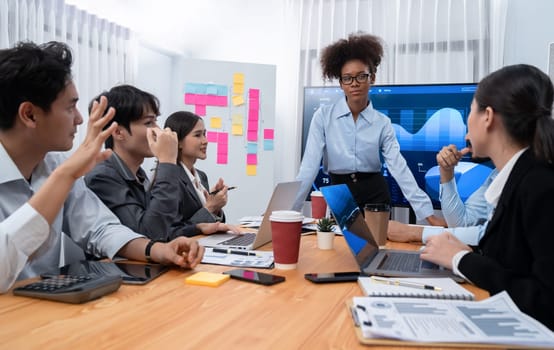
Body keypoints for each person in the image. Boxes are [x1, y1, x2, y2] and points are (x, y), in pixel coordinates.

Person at [0, 41, 203, 293]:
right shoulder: (65, 170)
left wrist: (157, 250)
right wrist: (66, 174)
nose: (79, 118)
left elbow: (98, 228)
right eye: (70, 106)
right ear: (30, 115)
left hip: (41, 304)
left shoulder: (53, 165)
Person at [420, 64, 554, 330]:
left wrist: (461, 260)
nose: (466, 124)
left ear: (488, 116)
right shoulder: (516, 174)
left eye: (469, 110)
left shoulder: (540, 185)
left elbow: (547, 302)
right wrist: (463, 253)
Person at [293, 32, 442, 225]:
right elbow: (309, 168)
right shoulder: (323, 117)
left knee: (378, 249)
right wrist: (288, 212)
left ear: (372, 78)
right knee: (342, 249)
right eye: (347, 78)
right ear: (340, 83)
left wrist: (427, 214)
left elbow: (399, 168)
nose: (354, 83)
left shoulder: (382, 123)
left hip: (375, 193)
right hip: (340, 191)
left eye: (361, 76)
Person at [85, 85, 235, 239]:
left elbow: (165, 229)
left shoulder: (139, 175)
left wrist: (197, 227)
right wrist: (167, 161)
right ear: (118, 132)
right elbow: (149, 235)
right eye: (149, 123)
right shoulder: (103, 177)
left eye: (155, 122)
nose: (159, 131)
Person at [387, 144, 497, 245]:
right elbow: (462, 224)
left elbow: (491, 236)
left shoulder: (512, 179)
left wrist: (415, 233)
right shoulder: (496, 175)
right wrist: (446, 171)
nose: (467, 135)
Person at [163, 111, 230, 228]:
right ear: (178, 141)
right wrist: (210, 207)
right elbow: (172, 232)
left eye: (204, 134)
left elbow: (211, 224)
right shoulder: (169, 179)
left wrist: (216, 207)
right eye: (198, 135)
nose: (205, 141)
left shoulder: (201, 176)